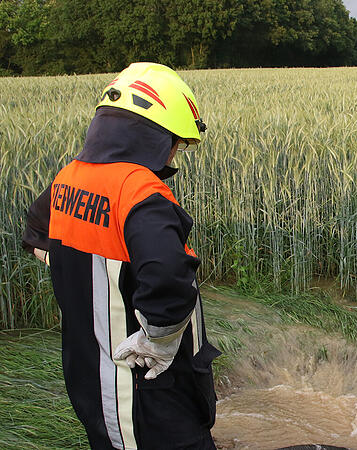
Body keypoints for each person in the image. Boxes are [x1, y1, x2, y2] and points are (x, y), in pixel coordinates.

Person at [22, 62, 220, 449]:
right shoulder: (138, 191)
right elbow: (168, 275)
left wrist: (75, 273)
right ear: (151, 134)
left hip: (90, 375)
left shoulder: (68, 178)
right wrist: (159, 340)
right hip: (145, 387)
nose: (176, 151)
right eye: (176, 141)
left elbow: (37, 233)